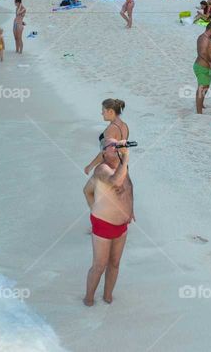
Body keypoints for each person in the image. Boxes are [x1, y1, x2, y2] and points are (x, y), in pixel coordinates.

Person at [82, 98, 133, 306]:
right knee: (100, 264)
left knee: (115, 263)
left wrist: (132, 209)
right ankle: (89, 298)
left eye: (103, 111)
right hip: (104, 224)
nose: (102, 114)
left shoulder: (120, 164)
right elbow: (114, 180)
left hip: (121, 224)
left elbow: (129, 187)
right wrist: (124, 159)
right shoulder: (102, 169)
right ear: (105, 152)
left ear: (111, 111)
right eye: (112, 147)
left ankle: (108, 295)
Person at [194, 23, 211, 114]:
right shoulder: (204, 39)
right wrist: (209, 62)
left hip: (205, 68)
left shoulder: (206, 39)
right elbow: (202, 53)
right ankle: (199, 111)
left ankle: (201, 105)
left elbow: (206, 44)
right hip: (202, 67)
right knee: (201, 88)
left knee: (206, 87)